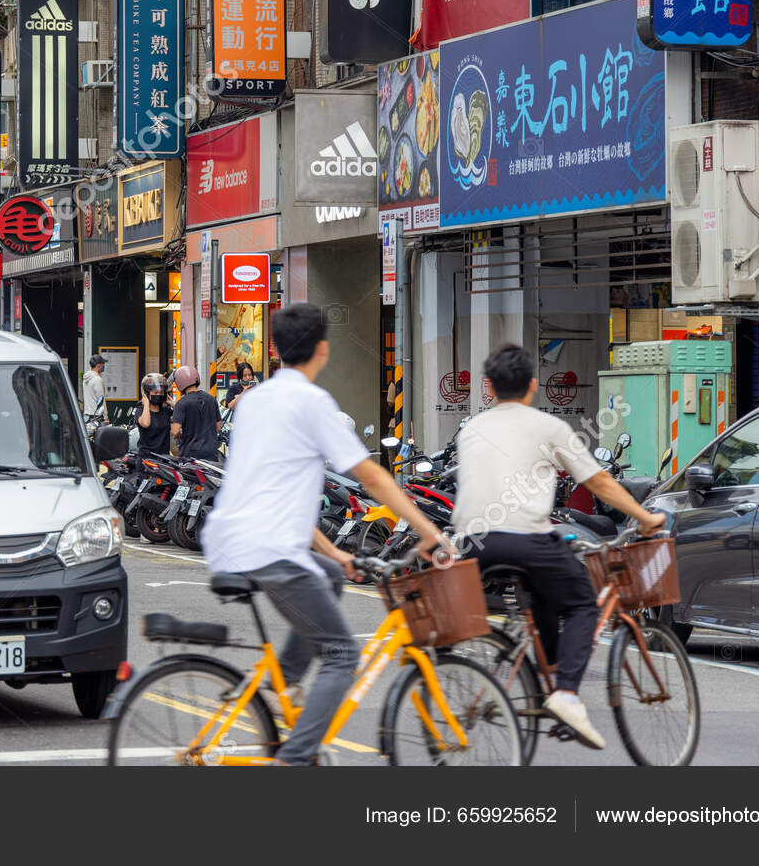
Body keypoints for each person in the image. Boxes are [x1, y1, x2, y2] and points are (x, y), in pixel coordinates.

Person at [202, 303, 445, 767]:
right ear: (323, 349)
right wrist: (428, 528)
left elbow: (273, 493)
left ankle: (283, 683)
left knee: (329, 576)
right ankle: (295, 760)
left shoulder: (254, 400)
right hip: (268, 548)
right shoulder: (312, 403)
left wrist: (335, 552)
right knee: (339, 653)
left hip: (231, 540)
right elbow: (371, 476)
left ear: (274, 349)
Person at [453, 344, 666, 751]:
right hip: (524, 538)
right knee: (583, 602)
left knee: (545, 594)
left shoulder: (471, 427)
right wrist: (643, 516)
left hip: (471, 545)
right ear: (533, 385)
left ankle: (545, 676)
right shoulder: (548, 426)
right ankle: (567, 694)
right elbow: (597, 481)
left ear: (488, 387)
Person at [170, 366, 222, 461]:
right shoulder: (211, 399)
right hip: (211, 453)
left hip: (190, 455)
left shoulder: (182, 403)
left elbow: (175, 431)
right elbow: (218, 427)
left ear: (179, 383)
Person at [135, 373, 173, 455]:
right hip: (146, 457)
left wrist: (174, 405)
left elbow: (184, 418)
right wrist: (146, 405)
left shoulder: (166, 411)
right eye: (155, 393)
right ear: (147, 393)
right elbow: (145, 423)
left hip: (164, 457)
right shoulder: (140, 410)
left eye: (161, 392)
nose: (158, 395)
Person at [81, 355, 107, 426]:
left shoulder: (85, 379)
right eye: (103, 364)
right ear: (98, 366)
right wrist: (106, 417)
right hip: (97, 416)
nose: (104, 366)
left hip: (87, 415)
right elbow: (101, 399)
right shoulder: (97, 379)